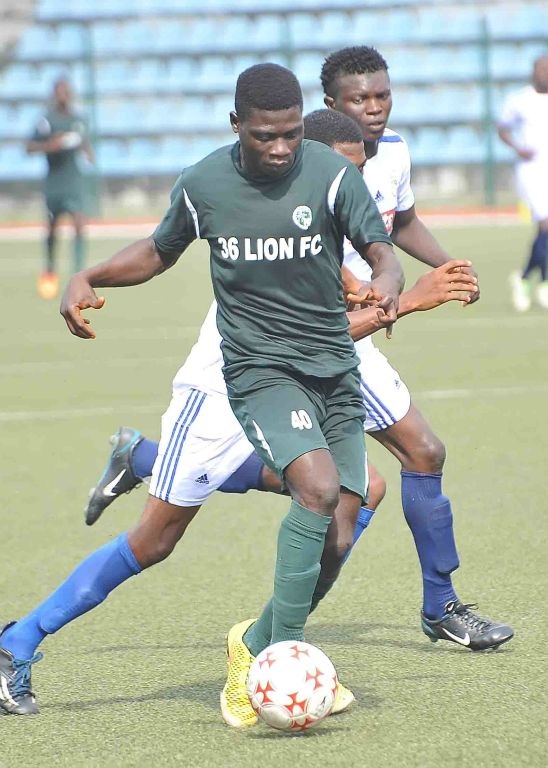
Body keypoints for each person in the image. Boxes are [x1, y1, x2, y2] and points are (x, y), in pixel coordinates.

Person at [0, 64, 403, 720]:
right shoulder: (206, 184)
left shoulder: (330, 179)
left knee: (348, 505)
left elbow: (375, 257)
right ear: (236, 125)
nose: (281, 149)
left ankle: (263, 646)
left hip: (318, 377)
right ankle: (17, 641)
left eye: (291, 135)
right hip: (221, 386)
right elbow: (159, 250)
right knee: (156, 540)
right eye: (266, 136)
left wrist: (385, 286)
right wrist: (89, 274)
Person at [85, 108, 510, 684]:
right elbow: (305, 321)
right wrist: (405, 300)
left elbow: (391, 239)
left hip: (339, 346)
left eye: (384, 94)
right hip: (258, 362)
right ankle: (265, 643)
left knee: (410, 459)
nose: (376, 107)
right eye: (361, 98)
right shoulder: (288, 185)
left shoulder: (377, 162)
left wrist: (408, 280)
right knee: (166, 534)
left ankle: (432, 606)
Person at [26, 77, 93, 300]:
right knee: (52, 228)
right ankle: (49, 270)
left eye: (67, 91)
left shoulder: (79, 119)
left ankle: (79, 273)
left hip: (73, 181)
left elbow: (84, 141)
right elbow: (29, 147)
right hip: (54, 182)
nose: (64, 95)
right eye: (60, 91)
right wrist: (50, 145)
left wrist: (88, 152)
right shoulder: (46, 120)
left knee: (79, 223)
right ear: (55, 94)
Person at [497, 55, 548, 312]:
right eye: (542, 69)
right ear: (533, 72)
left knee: (544, 231)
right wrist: (518, 147)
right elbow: (502, 128)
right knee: (546, 224)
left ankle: (526, 277)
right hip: (532, 171)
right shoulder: (520, 100)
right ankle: (544, 283)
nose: (545, 73)